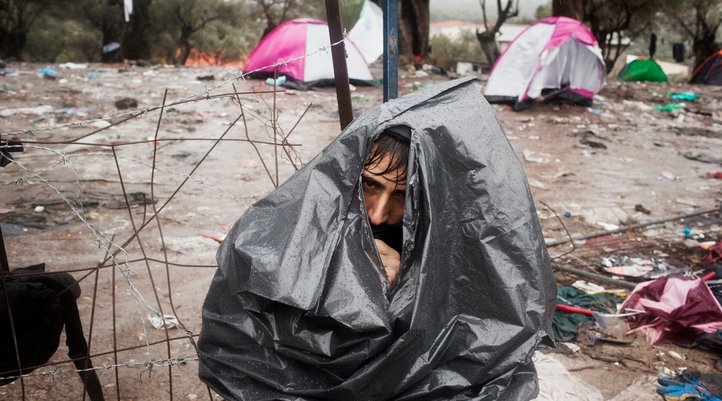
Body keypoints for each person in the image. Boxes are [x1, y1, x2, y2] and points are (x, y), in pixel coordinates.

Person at [198, 77, 555, 400]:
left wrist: (409, 289)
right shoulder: (326, 204)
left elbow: (484, 331)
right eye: (370, 185)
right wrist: (345, 272)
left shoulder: (464, 236)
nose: (378, 214)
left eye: (402, 195)